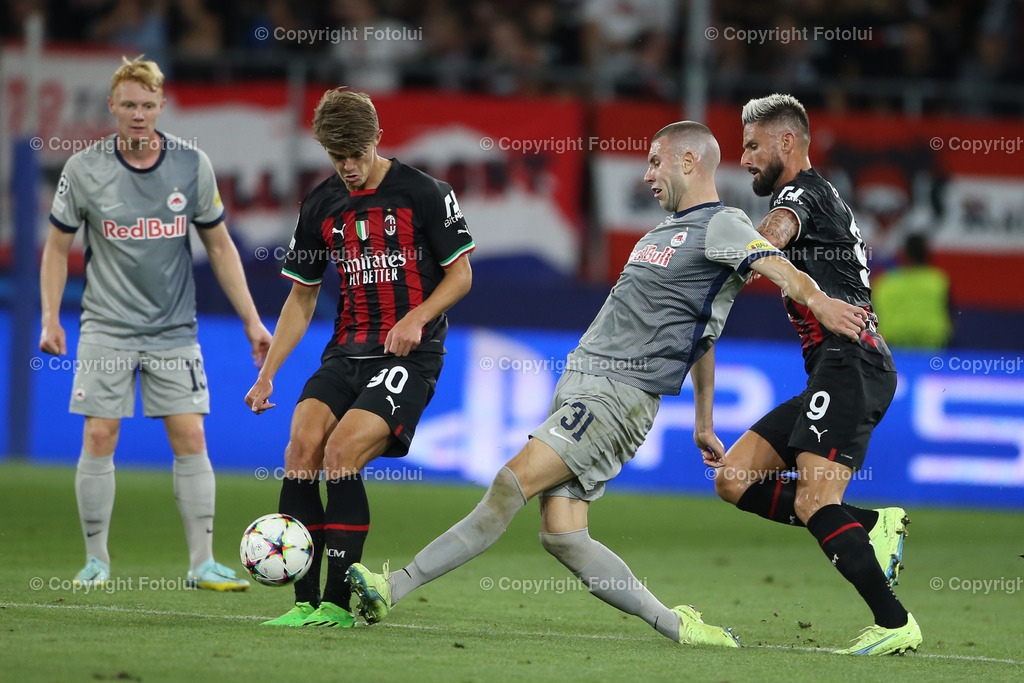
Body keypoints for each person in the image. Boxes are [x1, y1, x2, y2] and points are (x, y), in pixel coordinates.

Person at [347, 121, 868, 647]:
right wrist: (703, 419)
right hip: (581, 383)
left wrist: (819, 300)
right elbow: (703, 334)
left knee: (510, 483)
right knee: (564, 535)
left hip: (617, 394)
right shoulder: (663, 231)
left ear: (689, 162)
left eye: (655, 162)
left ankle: (392, 587)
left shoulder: (723, 223)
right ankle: (680, 627)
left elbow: (777, 266)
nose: (647, 176)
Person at [244, 88, 475, 628]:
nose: (348, 166)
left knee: (341, 451)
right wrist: (268, 374)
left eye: (356, 154)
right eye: (336, 156)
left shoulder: (425, 192)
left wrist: (417, 318)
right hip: (346, 350)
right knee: (301, 446)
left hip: (408, 357)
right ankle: (304, 603)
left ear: (377, 138)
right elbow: (302, 297)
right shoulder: (320, 204)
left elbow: (461, 276)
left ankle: (337, 604)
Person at [39, 56, 272, 591]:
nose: (138, 114)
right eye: (129, 105)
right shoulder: (84, 168)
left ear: (162, 106)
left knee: (191, 433)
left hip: (173, 331)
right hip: (106, 326)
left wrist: (252, 319)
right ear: (112, 106)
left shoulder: (191, 164)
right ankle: (96, 562)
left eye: (147, 105)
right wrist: (51, 317)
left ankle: (202, 564)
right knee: (100, 433)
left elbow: (220, 245)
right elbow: (55, 248)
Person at [711, 93, 922, 655]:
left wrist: (740, 245)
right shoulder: (818, 196)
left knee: (813, 500)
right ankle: (869, 525)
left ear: (787, 142)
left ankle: (895, 623)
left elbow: (774, 232)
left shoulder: (802, 193)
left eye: (753, 146)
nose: (744, 158)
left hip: (853, 361)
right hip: (833, 369)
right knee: (733, 478)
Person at [871, 234, 952, 349]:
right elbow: (950, 316)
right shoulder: (938, 281)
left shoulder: (884, 282)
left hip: (892, 347)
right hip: (932, 349)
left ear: (902, 255)